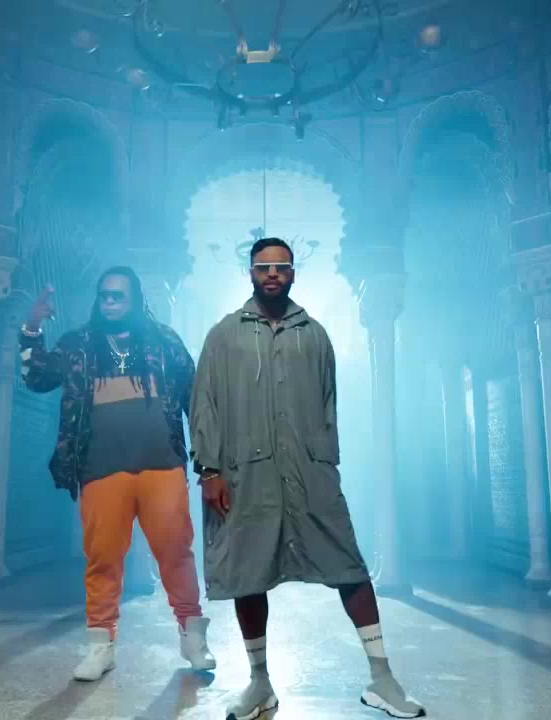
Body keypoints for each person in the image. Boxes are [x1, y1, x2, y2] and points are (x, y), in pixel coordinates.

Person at [190, 238, 426, 719]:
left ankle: (382, 678)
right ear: (250, 273)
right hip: (245, 473)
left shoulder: (314, 335)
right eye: (263, 267)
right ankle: (259, 684)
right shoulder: (224, 336)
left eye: (281, 266)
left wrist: (324, 463)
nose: (272, 274)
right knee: (248, 572)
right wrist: (210, 469)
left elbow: (327, 404)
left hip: (309, 473)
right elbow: (205, 404)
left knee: (348, 567)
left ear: (294, 273)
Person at [20, 266, 216, 682]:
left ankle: (193, 637)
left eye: (117, 296)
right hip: (100, 469)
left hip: (162, 465)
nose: (109, 302)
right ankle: (101, 646)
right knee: (103, 557)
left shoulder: (164, 342)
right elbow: (36, 377)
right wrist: (32, 326)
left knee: (176, 551)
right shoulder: (78, 344)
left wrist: (210, 459)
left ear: (135, 299)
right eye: (103, 295)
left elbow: (196, 399)